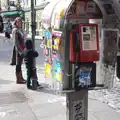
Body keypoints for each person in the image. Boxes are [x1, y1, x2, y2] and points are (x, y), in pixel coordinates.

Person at [12, 17, 26, 84]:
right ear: (16, 23)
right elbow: (16, 42)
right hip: (18, 50)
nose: (20, 23)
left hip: (22, 48)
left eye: (21, 22)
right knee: (18, 64)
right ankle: (18, 79)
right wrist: (20, 51)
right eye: (18, 22)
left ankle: (21, 77)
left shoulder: (20, 29)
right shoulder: (15, 30)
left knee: (20, 64)